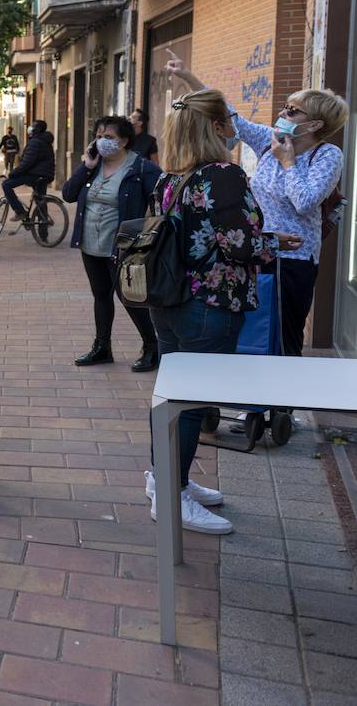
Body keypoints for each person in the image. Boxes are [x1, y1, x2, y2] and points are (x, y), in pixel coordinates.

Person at [143, 88, 296, 535]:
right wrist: (274, 242)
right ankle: (171, 495)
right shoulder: (223, 175)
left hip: (168, 301)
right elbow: (238, 243)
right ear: (215, 127)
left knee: (171, 397)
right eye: (228, 119)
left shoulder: (169, 178)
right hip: (210, 304)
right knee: (190, 403)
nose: (235, 127)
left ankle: (170, 481)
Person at [169, 59, 347, 357]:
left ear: (315, 124)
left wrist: (288, 162)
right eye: (285, 106)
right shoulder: (269, 139)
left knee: (283, 337)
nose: (283, 113)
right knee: (252, 335)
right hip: (256, 251)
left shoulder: (327, 155)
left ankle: (281, 404)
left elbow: (305, 203)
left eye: (293, 110)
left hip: (293, 258)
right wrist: (187, 76)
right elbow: (227, 114)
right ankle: (253, 404)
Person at [62, 116, 162, 372]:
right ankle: (102, 347)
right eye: (99, 136)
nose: (102, 141)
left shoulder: (140, 168)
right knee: (101, 295)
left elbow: (162, 200)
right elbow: (68, 194)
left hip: (123, 246)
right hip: (91, 244)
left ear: (125, 140)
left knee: (130, 296)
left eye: (109, 137)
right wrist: (86, 165)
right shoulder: (93, 166)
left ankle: (152, 347)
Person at [2, 119, 54, 218]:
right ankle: (43, 228)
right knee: (40, 200)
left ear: (37, 129)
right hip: (45, 174)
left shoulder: (35, 142)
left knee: (6, 185)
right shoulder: (45, 141)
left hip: (35, 175)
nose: (30, 127)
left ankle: (20, 211)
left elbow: (27, 163)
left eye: (32, 126)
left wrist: (13, 173)